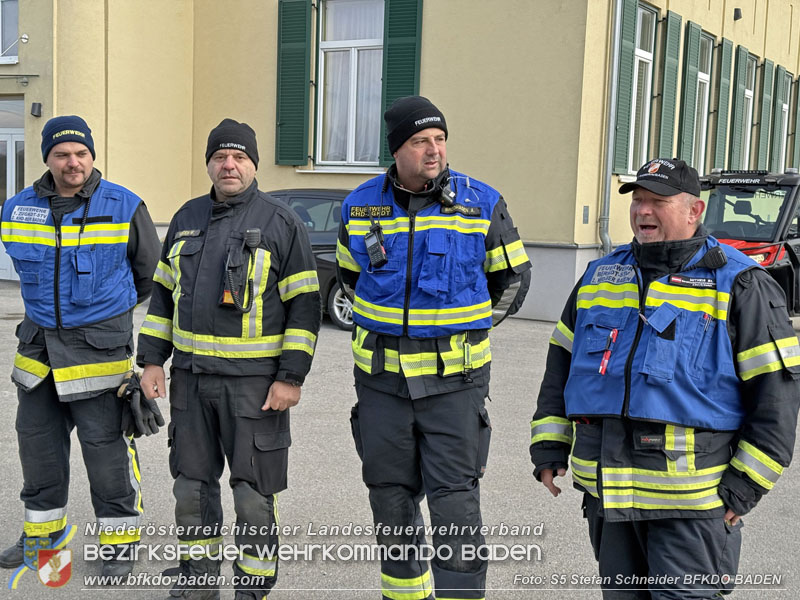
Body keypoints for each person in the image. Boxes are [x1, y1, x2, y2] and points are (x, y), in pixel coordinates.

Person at [530, 158, 800, 599]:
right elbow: (562, 363)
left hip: (691, 508)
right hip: (609, 499)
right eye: (637, 200)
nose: (642, 212)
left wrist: (745, 487)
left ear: (695, 210)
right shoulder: (601, 275)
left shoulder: (740, 283)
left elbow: (777, 396)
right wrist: (549, 444)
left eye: (658, 201)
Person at [337, 96, 531, 600]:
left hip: (454, 384)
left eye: (440, 139)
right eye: (421, 141)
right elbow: (349, 275)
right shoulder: (359, 205)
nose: (434, 150)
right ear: (397, 149)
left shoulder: (481, 202)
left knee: (455, 506)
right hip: (381, 383)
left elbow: (513, 278)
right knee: (390, 500)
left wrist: (469, 326)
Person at [137, 118, 321, 600]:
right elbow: (162, 296)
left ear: (253, 164)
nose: (229, 164)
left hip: (255, 388)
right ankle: (198, 579)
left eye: (239, 157)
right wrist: (152, 360)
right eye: (220, 157)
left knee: (253, 492)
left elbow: (305, 307)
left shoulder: (281, 222)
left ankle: (253, 585)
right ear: (209, 164)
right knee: (191, 488)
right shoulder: (186, 217)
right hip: (191, 384)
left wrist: (291, 376)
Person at [0, 115, 161, 576]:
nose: (73, 163)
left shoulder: (125, 205)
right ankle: (43, 542)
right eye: (62, 154)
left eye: (81, 154)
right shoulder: (17, 208)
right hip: (38, 355)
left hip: (98, 354)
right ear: (47, 158)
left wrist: (103, 311)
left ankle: (117, 546)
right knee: (38, 452)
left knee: (107, 455)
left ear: (92, 156)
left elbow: (149, 275)